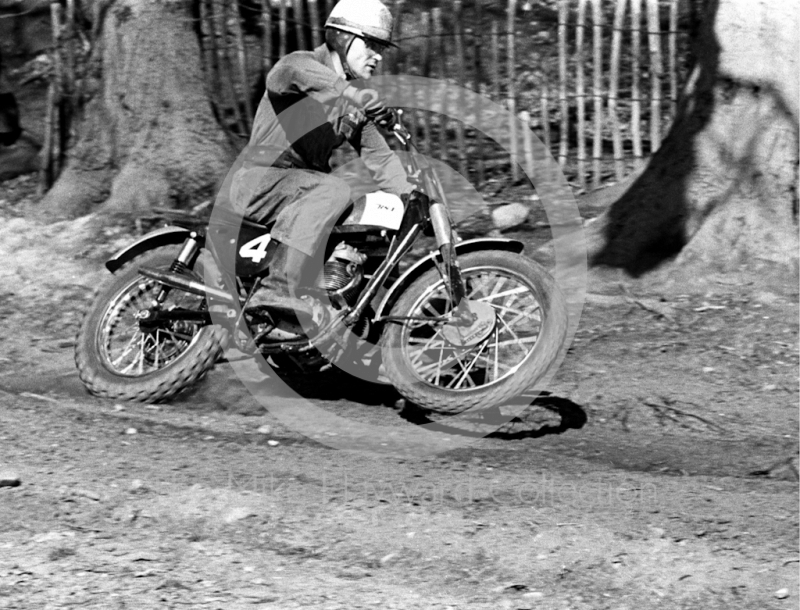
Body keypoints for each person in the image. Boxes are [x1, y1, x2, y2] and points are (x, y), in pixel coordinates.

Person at [225, 0, 420, 329]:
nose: (379, 55)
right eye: (371, 44)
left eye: (382, 48)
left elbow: (382, 160)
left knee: (372, 223)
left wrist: (416, 201)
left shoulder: (356, 106)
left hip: (298, 193)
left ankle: (360, 317)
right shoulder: (300, 65)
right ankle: (277, 288)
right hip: (259, 181)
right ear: (343, 39)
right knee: (334, 189)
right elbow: (283, 76)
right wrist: (351, 93)